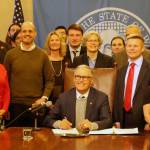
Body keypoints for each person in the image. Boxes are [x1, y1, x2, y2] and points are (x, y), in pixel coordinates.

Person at [4, 21, 54, 127]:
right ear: (20, 34)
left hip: (36, 105)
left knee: (36, 141)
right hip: (14, 106)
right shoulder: (10, 55)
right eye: (24, 31)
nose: (27, 34)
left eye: (30, 31)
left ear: (35, 34)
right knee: (14, 141)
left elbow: (50, 80)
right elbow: (4, 81)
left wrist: (44, 98)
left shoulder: (43, 55)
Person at [45, 65, 112, 131]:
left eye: (85, 77)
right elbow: (48, 119)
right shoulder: (63, 97)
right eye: (78, 76)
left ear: (91, 80)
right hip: (69, 139)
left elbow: (108, 121)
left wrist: (92, 125)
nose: (81, 80)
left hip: (92, 139)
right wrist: (59, 124)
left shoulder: (101, 98)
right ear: (74, 79)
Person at [113, 35, 150, 129]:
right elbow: (117, 96)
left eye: (135, 46)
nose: (132, 49)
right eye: (129, 46)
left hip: (144, 122)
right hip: (122, 120)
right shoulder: (121, 70)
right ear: (125, 48)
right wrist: (116, 120)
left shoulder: (148, 68)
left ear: (142, 49)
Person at [44, 31, 66, 103]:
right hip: (47, 98)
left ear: (60, 43)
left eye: (57, 40)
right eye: (52, 40)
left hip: (64, 98)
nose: (54, 42)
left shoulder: (66, 60)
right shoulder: (44, 60)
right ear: (48, 43)